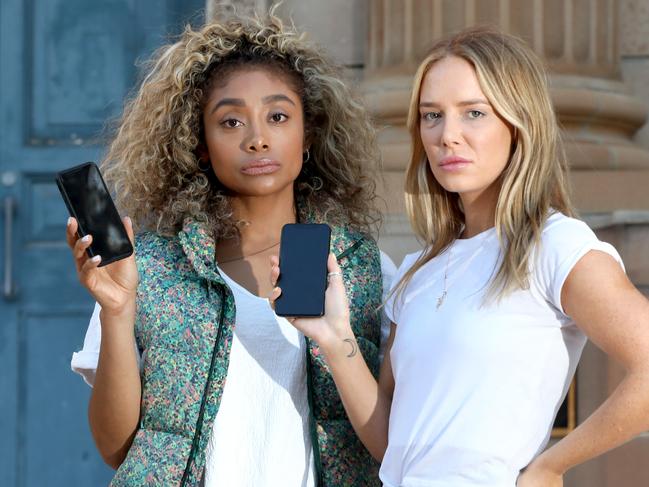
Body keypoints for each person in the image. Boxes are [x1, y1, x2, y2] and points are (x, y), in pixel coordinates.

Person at [272, 27, 649, 487]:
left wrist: (552, 465)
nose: (448, 136)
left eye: (474, 113)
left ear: (519, 123)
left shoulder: (555, 246)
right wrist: (334, 338)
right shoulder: (417, 271)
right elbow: (393, 445)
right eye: (432, 116)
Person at [68, 11, 395, 487]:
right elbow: (117, 450)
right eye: (231, 121)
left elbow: (393, 442)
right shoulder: (149, 271)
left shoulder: (363, 271)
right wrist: (117, 311)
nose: (257, 138)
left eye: (278, 117)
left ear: (307, 136)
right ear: (200, 144)